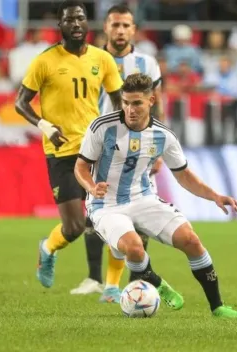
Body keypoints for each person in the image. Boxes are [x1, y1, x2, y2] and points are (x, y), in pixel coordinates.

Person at [75, 73, 237, 318]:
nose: (130, 109)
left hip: (143, 199)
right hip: (105, 205)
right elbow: (80, 166)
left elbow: (183, 174)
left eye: (137, 103)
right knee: (134, 248)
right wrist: (91, 187)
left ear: (151, 100)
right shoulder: (102, 126)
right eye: (125, 102)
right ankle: (157, 282)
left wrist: (215, 196)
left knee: (191, 241)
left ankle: (218, 306)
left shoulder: (163, 135)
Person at [15, 0, 123, 289]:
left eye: (80, 18)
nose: (76, 24)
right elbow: (20, 103)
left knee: (110, 216)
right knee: (75, 227)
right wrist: (44, 125)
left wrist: (118, 131)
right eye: (69, 20)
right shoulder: (45, 60)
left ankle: (108, 284)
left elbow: (118, 100)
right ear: (59, 26)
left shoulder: (103, 59)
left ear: (88, 23)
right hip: (61, 152)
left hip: (94, 150)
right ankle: (48, 248)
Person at [70, 4, 166, 303]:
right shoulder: (91, 58)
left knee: (141, 212)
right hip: (102, 146)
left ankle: (136, 281)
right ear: (106, 29)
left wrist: (158, 147)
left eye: (126, 25)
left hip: (139, 147)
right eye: (115, 25)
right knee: (96, 212)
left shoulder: (147, 63)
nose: (120, 30)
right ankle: (95, 278)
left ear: (133, 29)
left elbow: (157, 104)